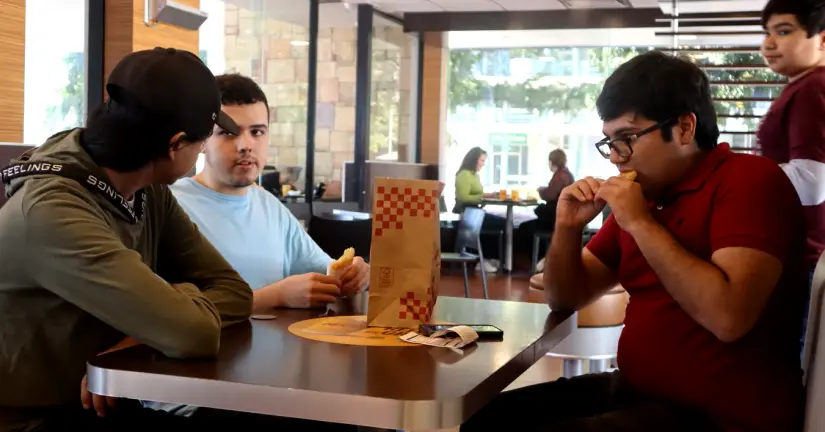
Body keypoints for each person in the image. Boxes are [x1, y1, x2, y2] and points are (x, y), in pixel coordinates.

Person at [462, 52, 806, 432]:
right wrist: (567, 227)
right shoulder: (646, 194)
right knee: (483, 417)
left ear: (685, 128)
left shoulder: (749, 181)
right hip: (637, 390)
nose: (614, 157)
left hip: (719, 416)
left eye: (626, 139)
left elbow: (728, 318)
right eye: (609, 142)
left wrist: (640, 222)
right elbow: (565, 298)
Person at [0, 48, 257, 430]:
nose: (202, 152)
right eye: (202, 142)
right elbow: (193, 331)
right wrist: (165, 319)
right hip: (31, 419)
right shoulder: (53, 212)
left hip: (98, 402)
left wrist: (141, 333)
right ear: (175, 145)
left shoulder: (146, 190)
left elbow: (236, 292)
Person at [170, 73, 370, 314]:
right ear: (202, 140)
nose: (246, 145)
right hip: (211, 350)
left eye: (257, 132)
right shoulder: (171, 205)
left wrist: (352, 275)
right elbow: (170, 311)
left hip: (278, 350)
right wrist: (275, 296)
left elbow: (326, 271)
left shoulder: (269, 205)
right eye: (229, 132)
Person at [759, 0, 825, 350]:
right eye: (767, 33)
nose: (769, 43)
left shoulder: (813, 88)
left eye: (783, 32)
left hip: (803, 256)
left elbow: (812, 181)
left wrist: (740, 176)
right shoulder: (803, 87)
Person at [520, 149, 576, 271]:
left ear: (552, 162)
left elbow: (549, 195)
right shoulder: (566, 174)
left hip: (556, 220)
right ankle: (542, 259)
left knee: (524, 228)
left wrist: (540, 190)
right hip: (563, 217)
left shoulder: (560, 176)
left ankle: (541, 259)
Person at [453, 147, 506, 271]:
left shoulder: (474, 175)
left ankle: (493, 258)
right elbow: (463, 197)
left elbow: (476, 194)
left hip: (475, 212)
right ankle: (485, 259)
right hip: (467, 213)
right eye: (481, 160)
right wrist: (483, 198)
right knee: (498, 223)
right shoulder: (464, 175)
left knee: (501, 223)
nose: (483, 164)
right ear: (474, 160)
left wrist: (488, 196)